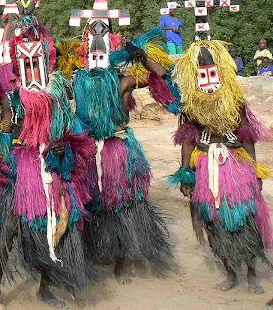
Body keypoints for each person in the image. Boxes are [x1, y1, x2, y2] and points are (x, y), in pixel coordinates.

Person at [0, 16, 96, 310]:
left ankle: (45, 287)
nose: (31, 62)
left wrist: (62, 149)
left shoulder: (58, 90)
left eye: (37, 56)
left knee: (55, 225)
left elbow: (68, 129)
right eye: (24, 58)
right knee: (8, 229)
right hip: (23, 164)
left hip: (52, 166)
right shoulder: (13, 95)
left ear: (46, 56)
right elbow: (6, 127)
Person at [74, 24, 175, 284]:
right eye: (92, 55)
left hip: (118, 149)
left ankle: (121, 260)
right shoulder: (78, 80)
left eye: (101, 55)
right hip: (89, 150)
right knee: (94, 204)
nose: (96, 61)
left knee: (121, 204)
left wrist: (140, 55)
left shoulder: (125, 80)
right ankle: (99, 252)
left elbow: (161, 74)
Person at [170, 40, 272, 294]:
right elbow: (187, 142)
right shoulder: (190, 106)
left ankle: (251, 274)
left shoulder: (236, 102)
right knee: (213, 220)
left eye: (212, 72)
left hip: (235, 166)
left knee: (244, 216)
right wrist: (186, 175)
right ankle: (229, 272)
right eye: (202, 73)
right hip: (205, 166)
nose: (207, 78)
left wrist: (255, 171)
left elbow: (247, 138)